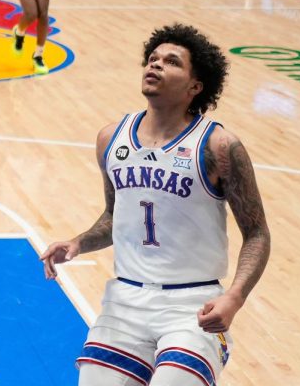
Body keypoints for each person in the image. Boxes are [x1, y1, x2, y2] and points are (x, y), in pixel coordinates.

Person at [40, 24, 270, 385]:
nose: (156, 64)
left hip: (192, 306)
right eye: (153, 58)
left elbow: (256, 232)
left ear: (195, 86)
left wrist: (236, 297)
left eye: (172, 61)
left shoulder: (219, 146)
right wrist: (78, 242)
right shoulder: (111, 138)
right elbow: (114, 215)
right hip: (124, 301)